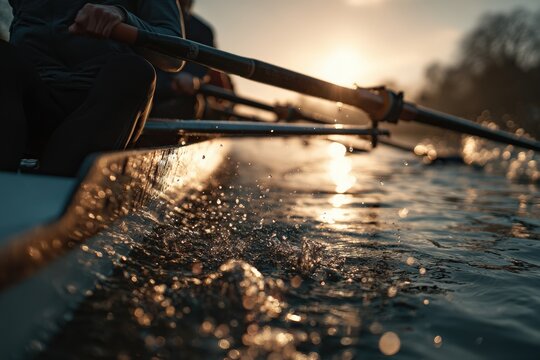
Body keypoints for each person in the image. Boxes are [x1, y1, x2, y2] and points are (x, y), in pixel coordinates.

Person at [0, 1, 184, 176]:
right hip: (28, 104)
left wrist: (122, 17)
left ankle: (55, 182)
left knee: (136, 70)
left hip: (101, 106)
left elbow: (174, 57)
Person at [152, 0, 219, 120]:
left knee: (189, 102)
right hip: (149, 90)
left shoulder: (203, 31)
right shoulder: (144, 19)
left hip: (183, 95)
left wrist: (193, 78)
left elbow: (202, 71)